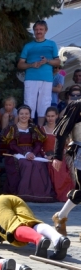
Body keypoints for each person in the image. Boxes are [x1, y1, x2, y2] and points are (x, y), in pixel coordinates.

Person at [2, 105, 55, 202]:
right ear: (18, 115)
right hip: (17, 153)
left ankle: (40, 194)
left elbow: (38, 143)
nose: (24, 116)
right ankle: (24, 193)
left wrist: (33, 153)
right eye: (22, 114)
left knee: (38, 164)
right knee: (26, 164)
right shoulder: (12, 128)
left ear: (30, 115)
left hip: (33, 152)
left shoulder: (34, 128)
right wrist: (25, 153)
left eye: (26, 114)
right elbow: (12, 145)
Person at [17, 20, 60, 127]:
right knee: (29, 104)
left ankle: (40, 129)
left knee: (44, 105)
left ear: (46, 30)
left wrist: (47, 61)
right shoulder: (28, 46)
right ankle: (29, 128)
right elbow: (20, 64)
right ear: (34, 31)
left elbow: (58, 61)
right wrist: (31, 65)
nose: (38, 31)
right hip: (31, 78)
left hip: (47, 79)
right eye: (36, 29)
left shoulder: (52, 44)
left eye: (41, 29)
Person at [51, 96, 81, 237]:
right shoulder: (77, 106)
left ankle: (61, 217)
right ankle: (60, 217)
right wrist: (57, 156)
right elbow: (62, 132)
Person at [42, 106, 74, 203]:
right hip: (45, 157)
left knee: (60, 168)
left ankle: (65, 194)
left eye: (52, 116)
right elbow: (38, 145)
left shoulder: (62, 129)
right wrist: (45, 155)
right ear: (45, 117)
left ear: (57, 116)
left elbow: (68, 145)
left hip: (60, 156)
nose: (50, 118)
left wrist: (61, 153)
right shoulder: (41, 130)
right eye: (48, 116)